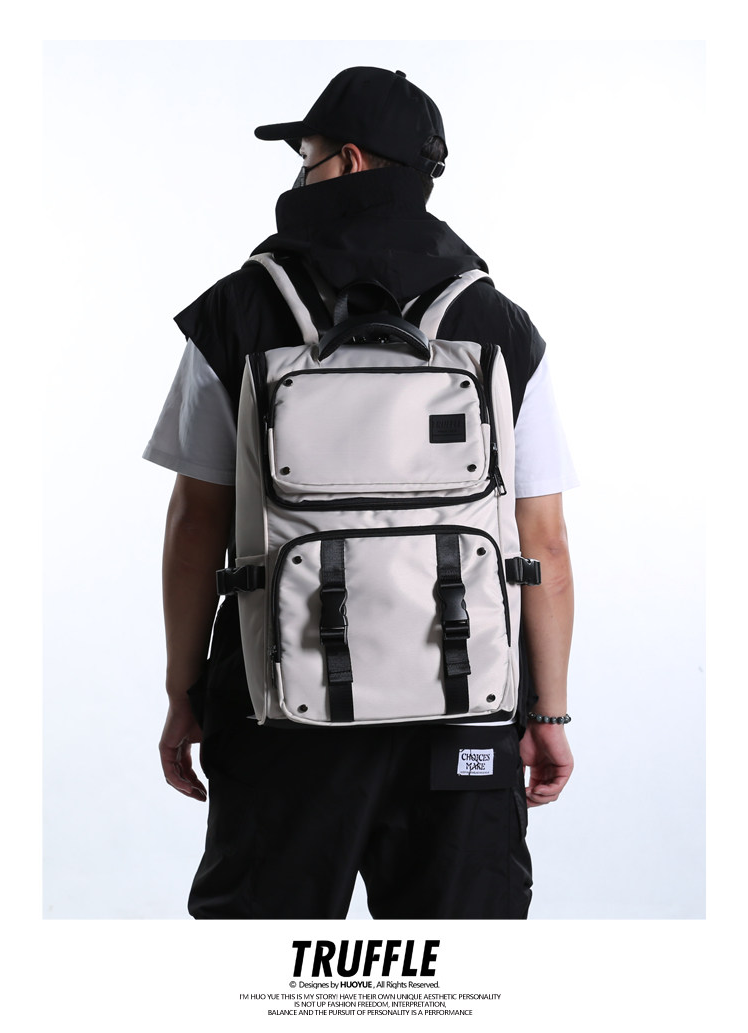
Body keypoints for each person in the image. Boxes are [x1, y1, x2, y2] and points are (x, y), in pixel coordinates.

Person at [144, 66, 577, 920]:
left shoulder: (236, 311)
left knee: (262, 968)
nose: (298, 174)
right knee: (462, 969)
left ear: (345, 161)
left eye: (304, 155)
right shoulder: (500, 326)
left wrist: (183, 694)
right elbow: (546, 546)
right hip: (464, 712)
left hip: (275, 716)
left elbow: (196, 524)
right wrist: (549, 712)